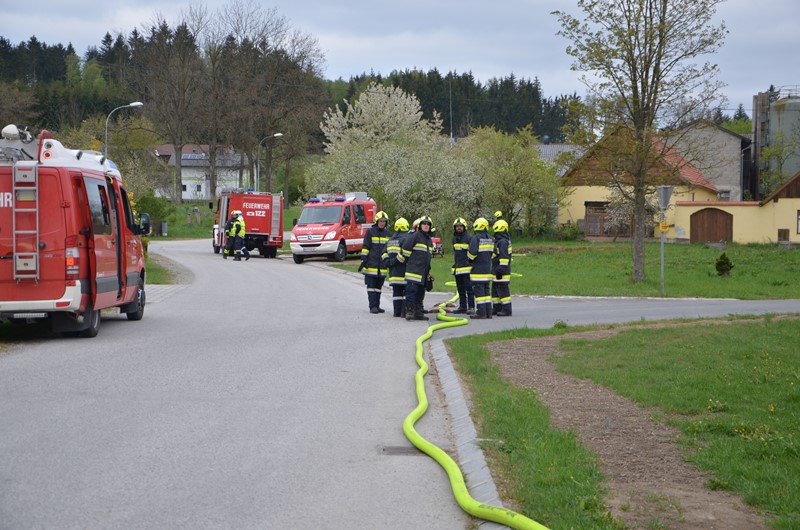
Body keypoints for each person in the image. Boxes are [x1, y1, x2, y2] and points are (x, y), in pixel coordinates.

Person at [399, 215, 434, 321]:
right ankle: (410, 312)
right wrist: (410, 262)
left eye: (428, 224)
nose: (426, 226)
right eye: (424, 224)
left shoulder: (429, 240)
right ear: (420, 225)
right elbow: (405, 250)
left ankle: (418, 313)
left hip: (423, 272)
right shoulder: (415, 236)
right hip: (414, 271)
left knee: (420, 294)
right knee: (411, 292)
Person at [359, 210, 390, 313]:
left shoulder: (387, 234)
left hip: (382, 266)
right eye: (380, 221)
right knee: (371, 287)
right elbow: (366, 247)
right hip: (371, 265)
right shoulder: (370, 232)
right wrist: (364, 259)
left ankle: (377, 305)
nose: (382, 223)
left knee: (378, 288)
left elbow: (389, 249)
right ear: (377, 221)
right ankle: (372, 306)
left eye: (384, 221)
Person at [382, 217, 410, 317]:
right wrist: (395, 261)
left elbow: (383, 253)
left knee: (397, 294)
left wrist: (387, 262)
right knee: (406, 293)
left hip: (393, 274)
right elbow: (405, 254)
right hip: (404, 272)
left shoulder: (390, 240)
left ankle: (397, 312)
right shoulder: (406, 239)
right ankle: (404, 312)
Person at [467, 217, 494, 319]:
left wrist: (469, 259)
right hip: (488, 270)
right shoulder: (491, 239)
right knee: (486, 293)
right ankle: (488, 312)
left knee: (479, 294)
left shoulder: (476, 238)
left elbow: (472, 254)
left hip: (477, 271)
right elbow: (494, 253)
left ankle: (481, 312)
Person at [451, 217, 474, 314]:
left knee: (469, 288)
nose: (459, 228)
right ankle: (463, 306)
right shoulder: (454, 239)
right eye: (457, 226)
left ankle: (471, 307)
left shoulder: (469, 238)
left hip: (467, 268)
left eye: (461, 226)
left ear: (464, 227)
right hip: (457, 268)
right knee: (460, 289)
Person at [491, 219, 513, 316]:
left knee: (503, 291)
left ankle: (507, 309)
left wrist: (500, 270)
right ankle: (497, 308)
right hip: (497, 269)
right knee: (495, 291)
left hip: (501, 271)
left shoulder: (503, 242)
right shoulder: (501, 240)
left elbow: (504, 257)